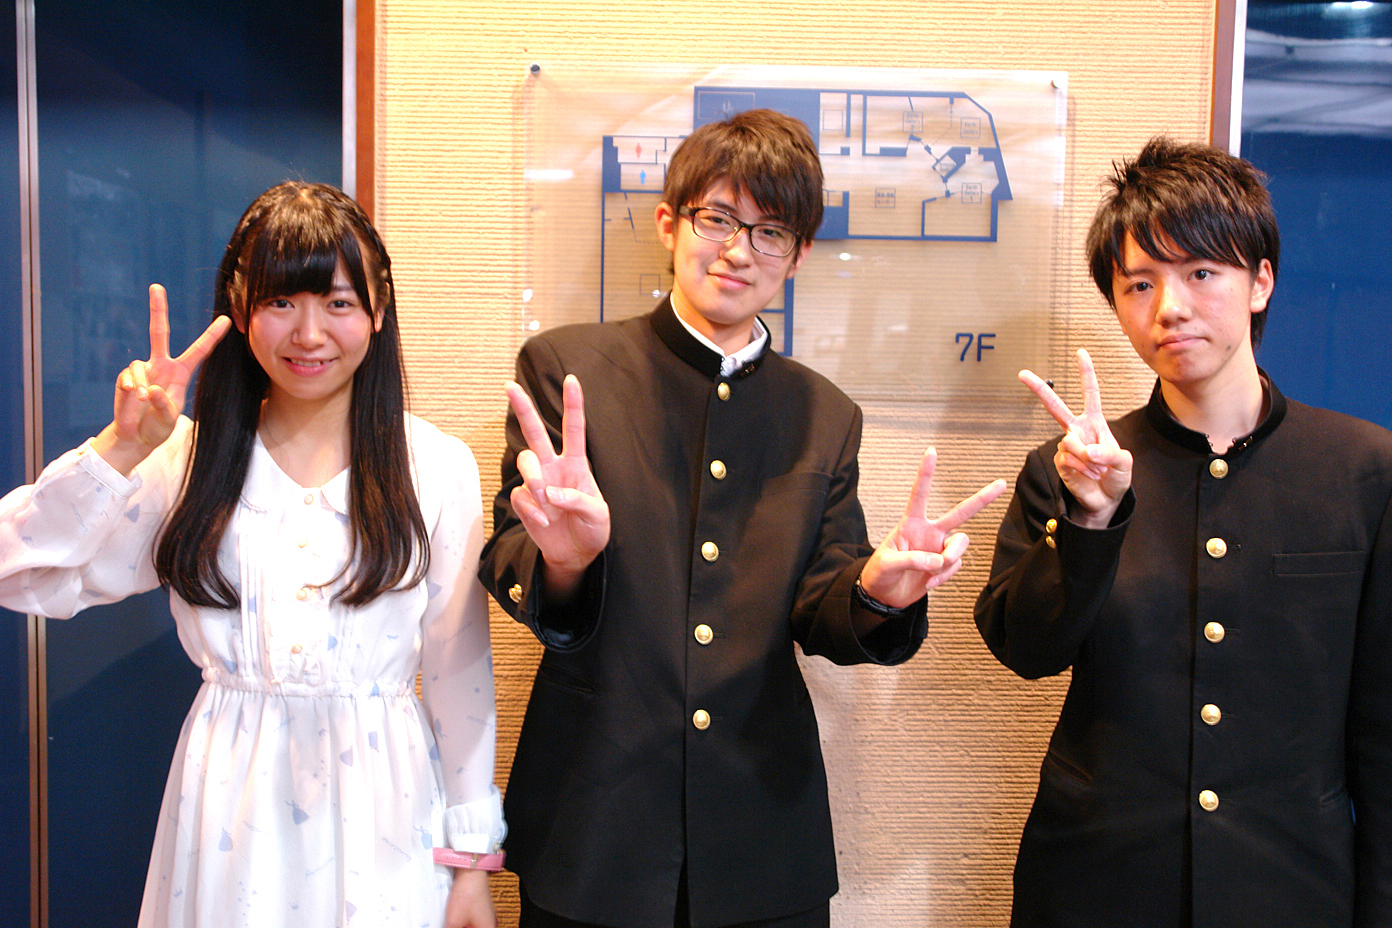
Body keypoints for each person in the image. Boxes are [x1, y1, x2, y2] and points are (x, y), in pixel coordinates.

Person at [479, 108, 1007, 928]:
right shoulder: (568, 369)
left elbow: (823, 604)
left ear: (798, 255)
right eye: (717, 218)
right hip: (595, 823)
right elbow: (510, 550)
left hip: (762, 832)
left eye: (770, 232)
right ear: (669, 223)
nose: (738, 250)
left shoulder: (823, 414)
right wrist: (567, 560)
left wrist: (879, 589)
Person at [0, 182, 505, 928]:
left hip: (388, 813)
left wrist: (470, 861)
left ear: (379, 309)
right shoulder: (188, 461)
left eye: (338, 303)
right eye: (280, 302)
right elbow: (18, 571)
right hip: (228, 813)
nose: (309, 333)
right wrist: (122, 449)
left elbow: (459, 670)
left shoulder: (433, 466)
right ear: (239, 309)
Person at [975, 136, 1392, 926]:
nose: (1169, 307)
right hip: (1098, 886)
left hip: (1292, 888)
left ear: (1259, 282)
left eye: (1201, 273)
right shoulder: (1068, 471)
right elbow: (1027, 651)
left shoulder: (1365, 470)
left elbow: (1382, 731)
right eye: (1140, 284)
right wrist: (1090, 519)